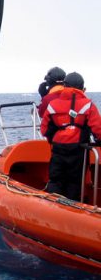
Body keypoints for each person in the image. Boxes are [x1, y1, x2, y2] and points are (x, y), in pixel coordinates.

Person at [40, 72, 101, 200]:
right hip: (78, 149)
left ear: (65, 86)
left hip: (58, 148)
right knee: (74, 181)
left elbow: (44, 129)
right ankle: (71, 206)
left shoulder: (53, 104)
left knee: (56, 179)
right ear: (82, 87)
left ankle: (53, 205)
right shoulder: (88, 104)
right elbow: (98, 128)